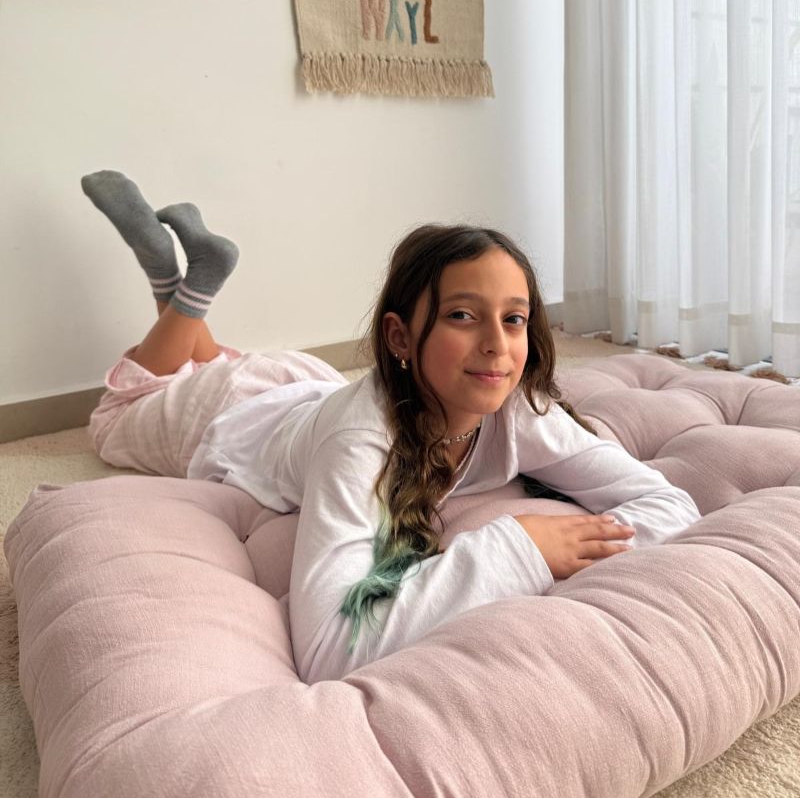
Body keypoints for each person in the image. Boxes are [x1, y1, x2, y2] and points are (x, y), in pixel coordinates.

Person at [81, 170, 701, 684]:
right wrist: (519, 548)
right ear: (400, 337)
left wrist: (594, 545)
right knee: (117, 414)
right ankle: (182, 285)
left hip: (304, 388)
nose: (497, 345)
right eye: (463, 316)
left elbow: (670, 505)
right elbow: (331, 649)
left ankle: (182, 282)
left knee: (197, 363)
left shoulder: (517, 411)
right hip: (231, 417)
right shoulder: (360, 443)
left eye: (514, 319)